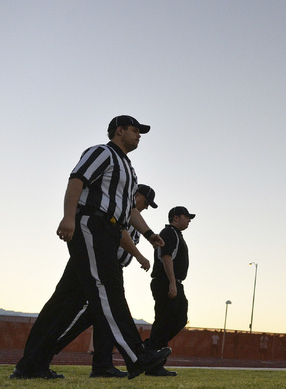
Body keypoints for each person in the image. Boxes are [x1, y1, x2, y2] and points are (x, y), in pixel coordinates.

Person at [10, 116, 171, 380]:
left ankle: (31, 365)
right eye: (135, 130)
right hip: (92, 224)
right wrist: (69, 216)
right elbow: (77, 180)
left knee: (67, 301)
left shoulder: (128, 169)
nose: (139, 135)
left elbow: (128, 209)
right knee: (107, 287)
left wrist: (149, 234)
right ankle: (137, 355)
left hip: (108, 229)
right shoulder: (102, 152)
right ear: (119, 131)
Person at [52, 184, 158, 378]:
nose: (146, 207)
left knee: (103, 318)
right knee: (86, 314)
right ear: (137, 196)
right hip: (100, 265)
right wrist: (140, 256)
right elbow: (118, 236)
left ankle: (102, 364)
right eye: (146, 202)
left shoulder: (132, 219)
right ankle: (46, 348)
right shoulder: (120, 211)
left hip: (113, 270)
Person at [145, 206, 195, 377]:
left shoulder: (176, 234)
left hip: (174, 282)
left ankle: (151, 348)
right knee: (164, 320)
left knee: (179, 318)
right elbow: (166, 256)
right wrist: (172, 283)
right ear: (176, 218)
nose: (189, 220)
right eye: (186, 217)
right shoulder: (169, 232)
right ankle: (152, 358)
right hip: (166, 282)